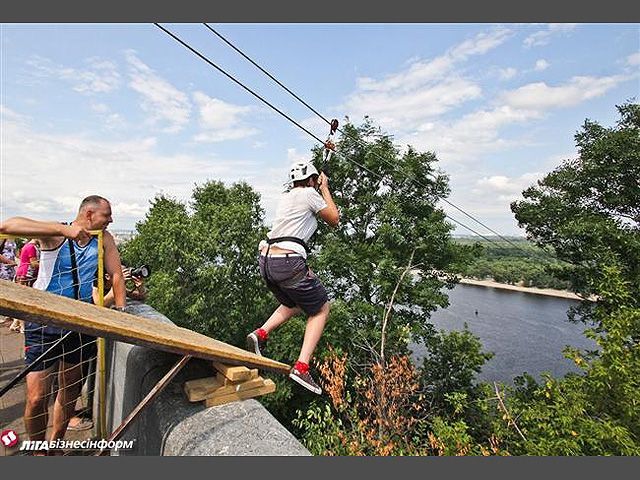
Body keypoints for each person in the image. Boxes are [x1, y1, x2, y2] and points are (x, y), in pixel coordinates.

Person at [0, 195, 126, 447]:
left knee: (69, 392)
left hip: (79, 323)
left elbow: (116, 274)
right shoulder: (56, 234)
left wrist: (122, 311)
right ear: (89, 214)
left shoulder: (104, 239)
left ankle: (56, 442)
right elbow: (6, 227)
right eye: (106, 215)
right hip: (44, 322)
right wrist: (62, 229)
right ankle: (38, 449)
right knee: (37, 396)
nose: (111, 220)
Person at [246, 160, 339, 394]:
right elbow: (334, 220)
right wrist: (324, 188)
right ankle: (301, 367)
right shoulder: (310, 193)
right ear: (310, 180)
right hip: (287, 263)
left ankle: (260, 333)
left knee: (293, 303)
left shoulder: (286, 197)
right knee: (320, 309)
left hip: (266, 261)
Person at [11, 239, 41, 333]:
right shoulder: (31, 247)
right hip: (26, 275)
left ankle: (15, 323)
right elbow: (33, 263)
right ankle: (22, 326)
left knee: (23, 299)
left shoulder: (28, 246)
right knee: (25, 300)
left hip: (24, 274)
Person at [0, 237, 18, 327]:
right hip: (3, 268)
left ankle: (8, 314)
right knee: (2, 291)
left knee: (9, 292)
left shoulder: (12, 238)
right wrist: (8, 261)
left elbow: (14, 253)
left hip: (10, 268)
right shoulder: (2, 237)